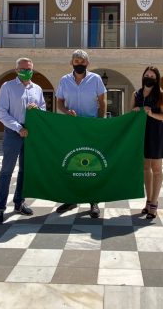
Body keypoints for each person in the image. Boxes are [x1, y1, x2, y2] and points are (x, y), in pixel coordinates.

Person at [0, 57, 47, 224]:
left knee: (25, 171)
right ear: (16, 70)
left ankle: (19, 203)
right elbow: (1, 112)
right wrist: (18, 128)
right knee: (6, 171)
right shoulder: (7, 87)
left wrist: (37, 109)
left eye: (29, 69)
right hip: (13, 132)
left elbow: (43, 108)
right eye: (23, 69)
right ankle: (0, 208)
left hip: (30, 134)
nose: (26, 72)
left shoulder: (37, 89)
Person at [55, 49, 107, 218]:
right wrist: (66, 111)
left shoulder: (96, 79)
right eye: (76, 62)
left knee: (92, 161)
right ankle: (71, 199)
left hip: (90, 126)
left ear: (87, 64)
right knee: (72, 160)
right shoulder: (64, 80)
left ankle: (94, 201)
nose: (79, 64)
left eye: (82, 62)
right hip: (71, 127)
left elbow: (102, 101)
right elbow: (59, 103)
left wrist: (100, 122)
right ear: (72, 63)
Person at [131, 66, 163, 219]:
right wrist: (135, 111)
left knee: (156, 169)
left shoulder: (161, 94)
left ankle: (154, 203)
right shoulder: (136, 94)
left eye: (152, 76)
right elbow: (131, 114)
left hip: (155, 133)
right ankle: (148, 201)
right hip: (141, 134)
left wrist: (151, 113)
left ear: (156, 79)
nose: (149, 77)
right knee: (145, 168)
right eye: (146, 75)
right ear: (143, 76)